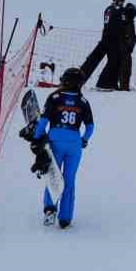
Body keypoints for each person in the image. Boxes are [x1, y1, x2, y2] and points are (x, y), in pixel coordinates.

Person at [32, 66, 95, 229]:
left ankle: (50, 210)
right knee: (69, 180)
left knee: (53, 175)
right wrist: (84, 140)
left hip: (55, 141)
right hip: (74, 143)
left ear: (65, 81)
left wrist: (37, 138)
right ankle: (65, 218)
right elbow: (90, 127)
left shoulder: (54, 97)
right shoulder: (83, 102)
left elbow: (43, 122)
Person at [80, 0, 136, 90]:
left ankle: (105, 83)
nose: (117, 0)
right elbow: (107, 25)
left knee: (115, 63)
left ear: (123, 0)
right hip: (106, 40)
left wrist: (129, 45)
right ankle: (76, 80)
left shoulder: (125, 12)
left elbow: (131, 28)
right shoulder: (109, 10)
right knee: (92, 59)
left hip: (118, 43)